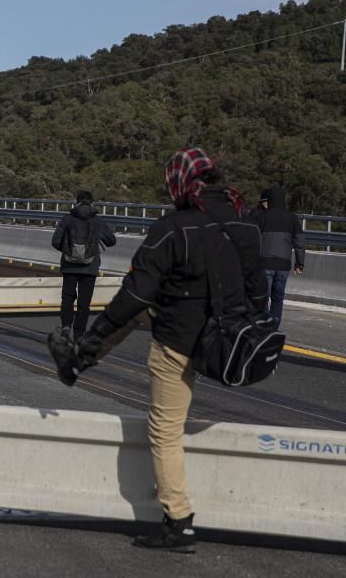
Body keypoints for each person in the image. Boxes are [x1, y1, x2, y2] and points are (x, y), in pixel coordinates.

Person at [48, 148, 267, 553]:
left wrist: (96, 333)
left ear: (179, 183)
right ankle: (80, 359)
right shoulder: (246, 224)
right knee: (140, 314)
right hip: (227, 341)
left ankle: (178, 522)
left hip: (179, 342)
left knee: (165, 430)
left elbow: (133, 295)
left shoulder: (173, 227)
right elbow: (258, 292)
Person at [51, 190, 117, 339]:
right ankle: (79, 334)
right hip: (90, 267)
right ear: (92, 202)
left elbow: (55, 241)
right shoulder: (97, 220)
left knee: (67, 298)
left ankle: (66, 327)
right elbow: (112, 241)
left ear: (77, 202)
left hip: (69, 266)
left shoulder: (67, 219)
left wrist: (68, 251)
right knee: (84, 302)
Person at [255, 186, 305, 327]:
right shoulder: (292, 218)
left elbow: (252, 240)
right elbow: (300, 242)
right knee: (277, 299)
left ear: (269, 200)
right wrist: (299, 264)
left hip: (265, 264)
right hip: (283, 265)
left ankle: (264, 328)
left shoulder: (261, 217)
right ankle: (273, 328)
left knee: (263, 298)